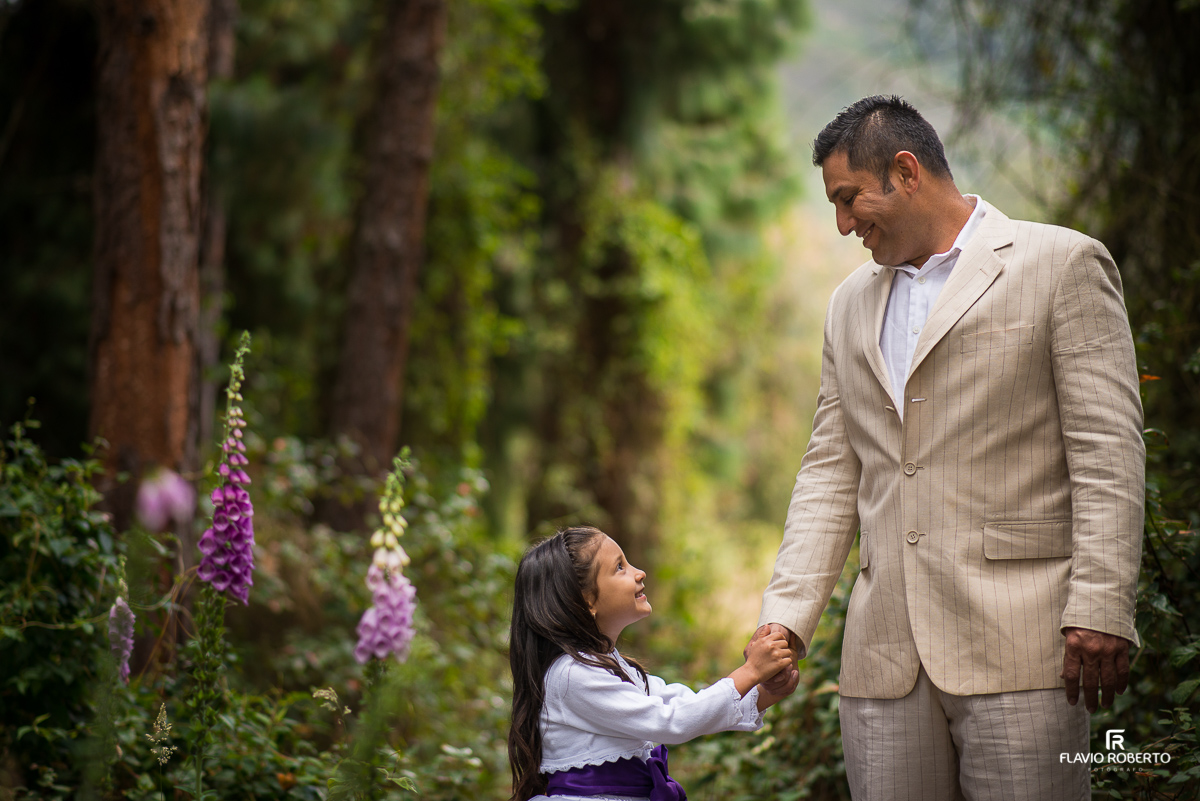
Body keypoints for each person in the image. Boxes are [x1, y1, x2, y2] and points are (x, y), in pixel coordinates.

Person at [750, 95, 1145, 800]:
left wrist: (1101, 604)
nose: (842, 225)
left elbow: (1107, 451)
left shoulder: (1061, 264)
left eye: (849, 199)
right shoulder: (847, 305)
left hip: (1026, 646)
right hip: (883, 663)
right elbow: (829, 474)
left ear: (905, 172)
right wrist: (783, 621)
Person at [508, 525, 800, 801]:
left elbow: (687, 705)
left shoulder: (614, 666)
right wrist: (750, 671)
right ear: (586, 600)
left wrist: (764, 692)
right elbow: (670, 721)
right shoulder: (572, 676)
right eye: (620, 567)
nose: (639, 573)